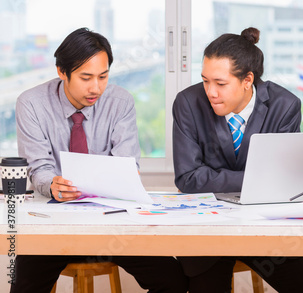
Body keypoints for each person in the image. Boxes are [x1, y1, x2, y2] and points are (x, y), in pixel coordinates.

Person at [12, 28, 187, 293]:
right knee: (24, 287)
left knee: (173, 281)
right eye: (86, 77)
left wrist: (127, 177)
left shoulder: (120, 103)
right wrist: (53, 185)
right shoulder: (31, 103)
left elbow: (127, 163)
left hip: (112, 223)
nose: (96, 88)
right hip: (54, 222)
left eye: (103, 77)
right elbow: (39, 169)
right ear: (62, 71)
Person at [172, 27, 303, 292]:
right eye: (205, 81)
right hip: (208, 229)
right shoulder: (188, 103)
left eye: (220, 83)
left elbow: (286, 179)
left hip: (264, 227)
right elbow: (188, 178)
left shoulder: (284, 105)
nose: (210, 92)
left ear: (248, 80)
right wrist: (258, 180)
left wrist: (216, 177)